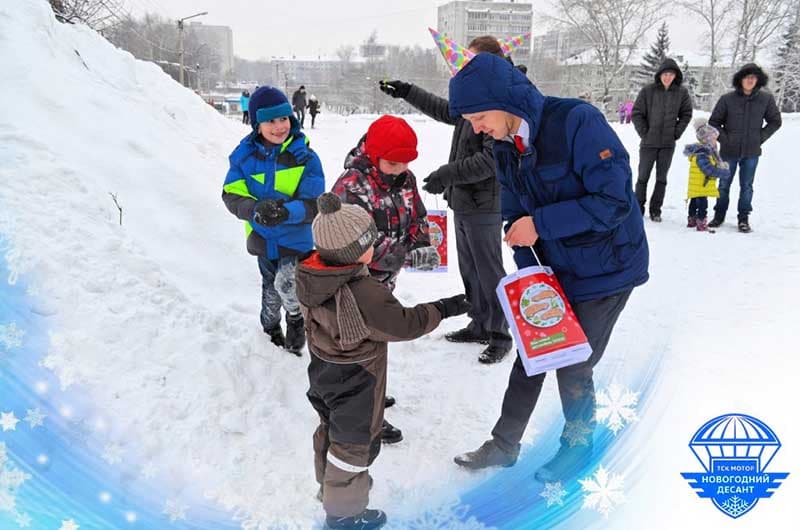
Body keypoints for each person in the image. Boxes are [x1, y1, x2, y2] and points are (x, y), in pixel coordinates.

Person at [446, 52, 649, 482]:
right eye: (470, 120)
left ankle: (578, 449)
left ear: (506, 101)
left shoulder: (577, 122)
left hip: (608, 267)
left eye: (480, 116)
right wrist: (533, 279)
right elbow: (514, 217)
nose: (476, 128)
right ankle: (504, 445)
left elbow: (614, 202)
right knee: (534, 350)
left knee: (573, 361)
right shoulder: (503, 147)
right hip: (555, 270)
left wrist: (540, 224)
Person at [298, 192, 470, 530]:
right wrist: (445, 308)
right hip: (357, 381)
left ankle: (329, 488)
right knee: (354, 449)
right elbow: (405, 324)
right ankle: (344, 515)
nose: (375, 245)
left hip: (323, 372)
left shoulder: (311, 274)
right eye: (370, 241)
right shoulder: (363, 292)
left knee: (331, 430)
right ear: (354, 251)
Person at [378, 35, 512, 364]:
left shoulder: (502, 101)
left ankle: (500, 333)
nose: (464, 64)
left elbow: (490, 161)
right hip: (464, 202)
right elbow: (444, 110)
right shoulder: (476, 93)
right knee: (471, 268)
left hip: (485, 203)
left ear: (491, 64)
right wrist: (407, 91)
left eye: (473, 60)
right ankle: (479, 322)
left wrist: (446, 175)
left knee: (490, 270)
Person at [331, 115, 440, 445]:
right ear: (374, 155)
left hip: (384, 281)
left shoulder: (405, 180)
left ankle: (371, 392)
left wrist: (421, 243)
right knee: (357, 347)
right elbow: (354, 241)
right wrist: (404, 255)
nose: (399, 169)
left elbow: (417, 217)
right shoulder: (350, 187)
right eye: (392, 162)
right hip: (353, 284)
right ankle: (363, 415)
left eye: (405, 162)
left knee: (375, 342)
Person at [221, 86, 324, 355]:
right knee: (270, 286)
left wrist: (286, 212)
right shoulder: (244, 157)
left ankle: (296, 319)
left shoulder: (306, 157)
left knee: (288, 283)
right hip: (262, 237)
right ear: (257, 124)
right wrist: (254, 209)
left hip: (295, 238)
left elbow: (314, 203)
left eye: (284, 119)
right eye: (270, 120)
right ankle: (270, 327)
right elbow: (231, 193)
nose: (279, 127)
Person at [708, 63, 782, 233]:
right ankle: (719, 215)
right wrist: (725, 139)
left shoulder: (766, 99)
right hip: (729, 152)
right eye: (747, 77)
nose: (750, 80)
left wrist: (760, 138)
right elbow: (714, 122)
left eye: (753, 77)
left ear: (758, 80)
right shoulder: (727, 99)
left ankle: (743, 218)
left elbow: (775, 121)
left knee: (747, 186)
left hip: (751, 152)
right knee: (723, 185)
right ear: (740, 79)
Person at [632, 58, 693, 222]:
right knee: (642, 177)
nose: (667, 77)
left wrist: (676, 132)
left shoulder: (681, 93)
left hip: (667, 144)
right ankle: (638, 208)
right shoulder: (648, 91)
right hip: (648, 143)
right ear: (659, 75)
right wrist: (645, 133)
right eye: (665, 74)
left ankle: (655, 210)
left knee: (661, 179)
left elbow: (686, 114)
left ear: (675, 76)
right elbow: (637, 113)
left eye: (671, 74)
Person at [684, 118, 730, 232]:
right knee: (702, 204)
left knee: (694, 201)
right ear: (706, 139)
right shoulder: (703, 153)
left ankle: (692, 219)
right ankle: (701, 222)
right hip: (701, 183)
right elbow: (708, 169)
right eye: (714, 139)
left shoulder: (705, 151)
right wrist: (723, 173)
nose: (716, 141)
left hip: (699, 183)